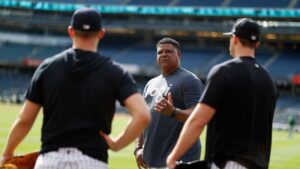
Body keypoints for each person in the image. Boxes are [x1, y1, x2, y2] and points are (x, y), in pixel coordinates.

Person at [0, 8, 150, 169]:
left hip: (50, 160)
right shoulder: (115, 71)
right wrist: (116, 144)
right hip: (92, 161)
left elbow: (25, 119)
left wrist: (7, 153)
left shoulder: (47, 67)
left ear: (71, 31)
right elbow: (142, 115)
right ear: (101, 33)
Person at [167, 18, 278, 169]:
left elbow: (198, 120)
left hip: (228, 163)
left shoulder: (224, 71)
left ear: (234, 39)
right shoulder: (269, 79)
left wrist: (173, 157)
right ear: (257, 44)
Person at [134, 38, 204, 169]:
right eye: (160, 52)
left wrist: (173, 112)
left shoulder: (189, 81)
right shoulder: (151, 83)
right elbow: (143, 118)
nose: (163, 54)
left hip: (180, 160)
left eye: (168, 51)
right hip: (151, 159)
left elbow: (198, 116)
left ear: (178, 54)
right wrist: (138, 147)